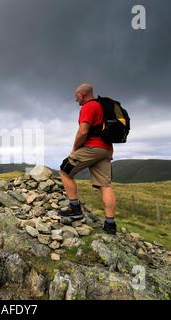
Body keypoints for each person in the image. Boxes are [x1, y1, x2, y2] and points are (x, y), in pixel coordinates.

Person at [59, 83, 117, 235]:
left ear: (83, 94)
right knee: (105, 185)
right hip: (106, 149)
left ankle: (74, 208)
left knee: (65, 171)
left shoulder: (89, 106)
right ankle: (110, 224)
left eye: (76, 96)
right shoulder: (101, 106)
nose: (75, 99)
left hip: (93, 147)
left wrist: (75, 149)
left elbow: (83, 131)